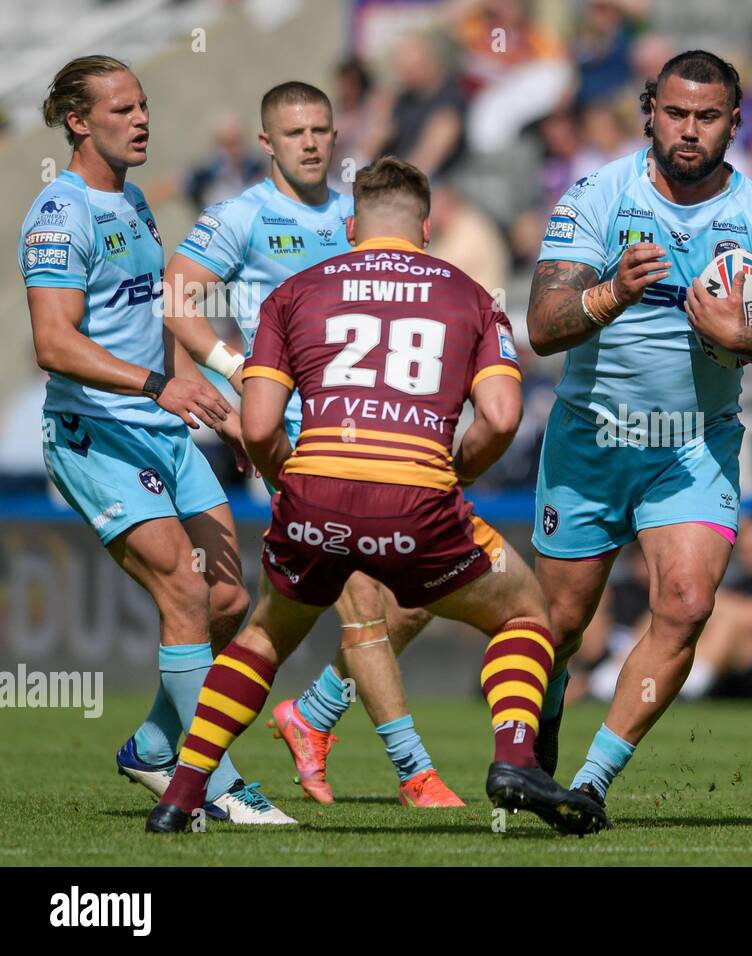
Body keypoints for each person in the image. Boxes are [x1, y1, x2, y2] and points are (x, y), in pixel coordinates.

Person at [146, 157, 606, 835]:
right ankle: (514, 758)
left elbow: (260, 424)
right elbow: (504, 417)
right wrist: (456, 478)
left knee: (264, 638)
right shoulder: (472, 295)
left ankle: (181, 795)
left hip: (315, 495)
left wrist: (289, 484)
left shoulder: (295, 292)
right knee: (525, 613)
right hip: (420, 500)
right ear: (426, 228)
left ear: (352, 225)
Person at [525, 50, 752, 819]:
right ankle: (544, 735)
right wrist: (611, 293)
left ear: (734, 122)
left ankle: (591, 785)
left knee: (689, 604)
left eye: (706, 117)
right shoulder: (598, 194)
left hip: (693, 445)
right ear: (649, 111)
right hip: (590, 438)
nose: (688, 130)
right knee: (561, 626)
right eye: (675, 113)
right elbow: (541, 326)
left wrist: (749, 337)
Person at [162, 82, 453, 807]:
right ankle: (414, 771)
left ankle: (311, 714)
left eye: (321, 129)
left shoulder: (356, 215)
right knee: (358, 590)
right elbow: (177, 295)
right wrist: (239, 376)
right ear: (267, 143)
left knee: (416, 597)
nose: (312, 142)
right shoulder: (243, 216)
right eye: (295, 133)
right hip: (300, 436)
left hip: (380, 427)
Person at [22, 56, 291, 824]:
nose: (142, 120)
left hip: (165, 430)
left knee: (229, 597)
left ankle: (152, 746)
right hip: (97, 434)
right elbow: (53, 343)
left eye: (144, 107)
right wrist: (157, 389)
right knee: (182, 589)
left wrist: (216, 407)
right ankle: (219, 783)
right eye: (123, 109)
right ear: (78, 121)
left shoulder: (135, 202)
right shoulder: (58, 212)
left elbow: (159, 317)